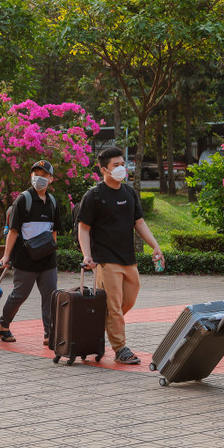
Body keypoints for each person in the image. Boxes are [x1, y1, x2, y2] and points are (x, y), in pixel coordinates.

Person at [78, 147, 165, 365]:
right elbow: (84, 228)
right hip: (105, 261)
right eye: (115, 165)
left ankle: (99, 324)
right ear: (103, 170)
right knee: (114, 306)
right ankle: (120, 348)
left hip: (128, 258)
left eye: (122, 164)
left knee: (129, 299)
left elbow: (140, 223)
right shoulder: (94, 195)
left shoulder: (129, 193)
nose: (121, 168)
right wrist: (87, 255)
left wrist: (155, 246)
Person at [0, 160, 61, 346]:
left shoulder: (53, 202)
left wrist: (53, 252)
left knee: (50, 296)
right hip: (26, 259)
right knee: (19, 295)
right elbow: (14, 230)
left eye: (43, 174)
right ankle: (4, 326)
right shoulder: (23, 199)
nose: (39, 178)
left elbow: (54, 231)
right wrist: (6, 256)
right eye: (35, 174)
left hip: (47, 259)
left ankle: (50, 333)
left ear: (51, 179)